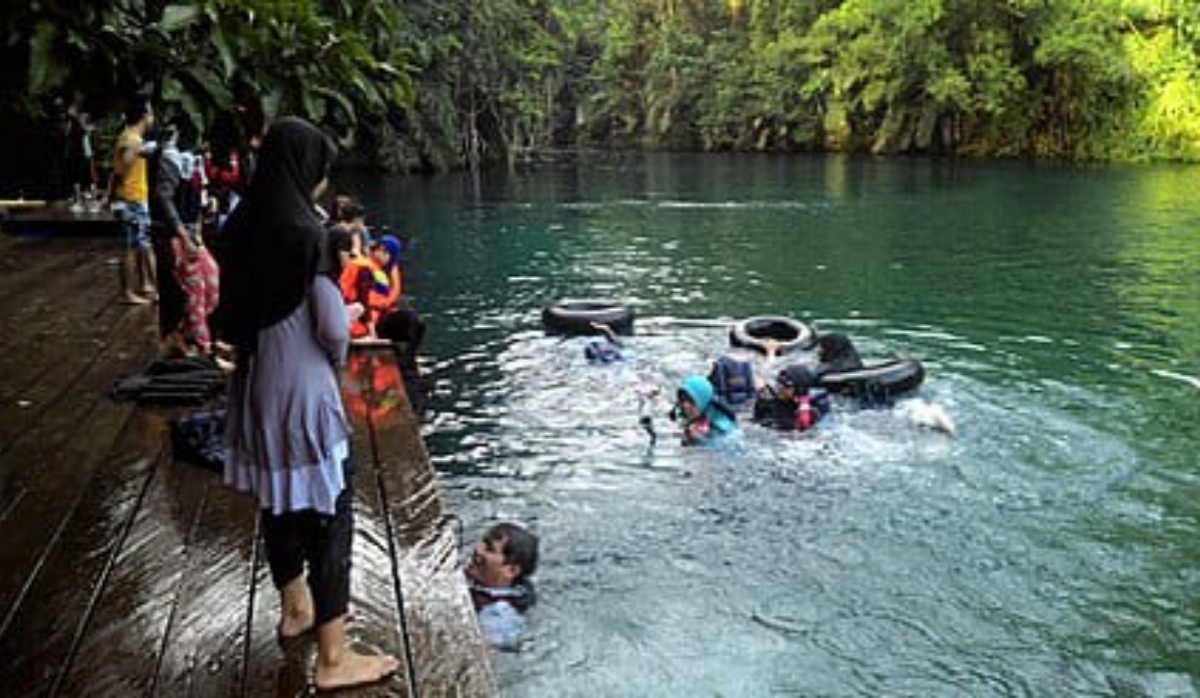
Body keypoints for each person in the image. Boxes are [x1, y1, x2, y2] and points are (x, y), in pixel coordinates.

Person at [218, 117, 399, 691]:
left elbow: (227, 317)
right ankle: (333, 658)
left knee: (278, 501)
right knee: (331, 516)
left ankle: (294, 608)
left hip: (254, 389)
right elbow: (329, 329)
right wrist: (344, 333)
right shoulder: (311, 237)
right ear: (306, 167)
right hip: (303, 391)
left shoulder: (239, 225)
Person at [151, 126, 219, 358]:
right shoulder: (170, 159)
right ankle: (202, 349)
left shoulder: (194, 160)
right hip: (174, 236)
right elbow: (165, 200)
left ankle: (182, 336)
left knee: (211, 283)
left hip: (191, 233)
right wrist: (182, 235)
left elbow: (195, 200)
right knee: (193, 293)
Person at [111, 100, 158, 304]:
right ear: (144, 115)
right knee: (131, 247)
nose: (153, 118)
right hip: (131, 199)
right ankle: (129, 292)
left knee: (141, 245)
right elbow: (120, 169)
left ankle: (147, 285)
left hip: (136, 197)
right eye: (151, 113)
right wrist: (137, 151)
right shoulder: (131, 139)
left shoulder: (133, 137)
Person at [465, 522, 540, 650]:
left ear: (511, 570)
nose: (478, 548)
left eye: (489, 549)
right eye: (483, 542)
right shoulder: (520, 590)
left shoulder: (497, 615)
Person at [752, 365, 832, 432]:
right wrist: (761, 399)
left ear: (798, 390)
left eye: (785, 387)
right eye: (779, 383)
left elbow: (795, 428)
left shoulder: (809, 409)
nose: (780, 388)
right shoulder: (772, 398)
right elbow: (758, 419)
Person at [672, 375, 738, 446]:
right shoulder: (685, 415)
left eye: (691, 400)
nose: (686, 405)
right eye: (682, 400)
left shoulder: (722, 427)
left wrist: (700, 439)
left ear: (703, 401)